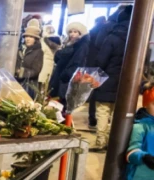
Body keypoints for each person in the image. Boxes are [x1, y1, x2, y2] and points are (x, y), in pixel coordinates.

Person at [89, 6, 132, 152]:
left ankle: (101, 142)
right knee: (118, 113)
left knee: (103, 111)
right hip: (126, 82)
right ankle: (116, 144)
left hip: (107, 79)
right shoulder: (136, 37)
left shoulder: (112, 37)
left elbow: (101, 60)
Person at [121, 84, 154, 180]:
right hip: (137, 177)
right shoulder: (140, 126)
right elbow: (132, 152)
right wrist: (144, 157)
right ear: (146, 104)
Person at [48, 22, 88, 102]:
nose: (72, 34)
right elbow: (58, 58)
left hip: (66, 80)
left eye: (75, 32)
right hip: (61, 79)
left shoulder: (81, 46)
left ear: (80, 33)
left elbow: (78, 63)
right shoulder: (68, 44)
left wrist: (65, 74)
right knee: (57, 104)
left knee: (63, 104)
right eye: (70, 32)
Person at [86, 16, 108, 128]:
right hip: (103, 66)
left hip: (91, 65)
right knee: (100, 93)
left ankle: (92, 118)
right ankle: (97, 119)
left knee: (93, 92)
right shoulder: (107, 32)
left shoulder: (92, 32)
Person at [15, 24, 43, 97]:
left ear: (36, 39)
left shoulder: (38, 52)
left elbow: (36, 71)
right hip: (17, 83)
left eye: (31, 37)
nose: (27, 39)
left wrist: (21, 72)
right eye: (26, 36)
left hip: (29, 85)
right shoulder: (20, 50)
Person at [39, 24, 60, 91]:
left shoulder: (44, 41)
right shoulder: (57, 41)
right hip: (50, 66)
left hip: (42, 65)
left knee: (39, 88)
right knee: (45, 87)